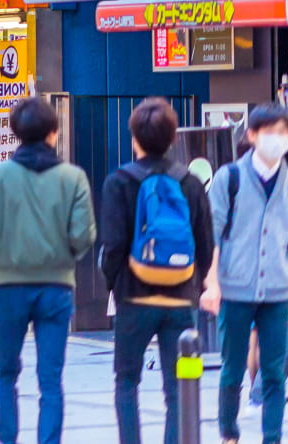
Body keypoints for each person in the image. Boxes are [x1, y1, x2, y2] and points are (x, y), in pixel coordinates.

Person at [0, 97, 94, 444]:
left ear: (15, 132)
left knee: (5, 374)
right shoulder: (73, 177)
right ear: (53, 133)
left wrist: (3, 252)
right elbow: (83, 234)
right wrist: (64, 255)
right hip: (56, 286)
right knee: (51, 379)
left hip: (10, 285)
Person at [97, 97, 214, 444]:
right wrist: (194, 284)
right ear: (174, 137)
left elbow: (114, 246)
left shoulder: (119, 182)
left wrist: (113, 283)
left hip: (134, 298)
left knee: (126, 382)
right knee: (179, 385)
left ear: (134, 138)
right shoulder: (190, 183)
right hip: (179, 301)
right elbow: (205, 245)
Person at [206, 103, 288, 444]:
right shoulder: (229, 177)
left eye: (283, 133)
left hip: (276, 290)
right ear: (252, 135)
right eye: (269, 132)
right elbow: (212, 233)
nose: (277, 139)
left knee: (274, 373)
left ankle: (271, 438)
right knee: (232, 371)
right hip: (234, 288)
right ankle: (229, 434)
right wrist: (212, 281)